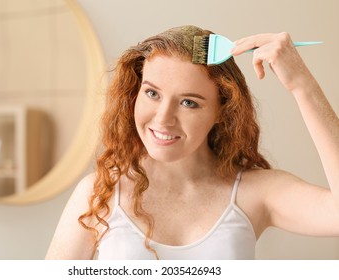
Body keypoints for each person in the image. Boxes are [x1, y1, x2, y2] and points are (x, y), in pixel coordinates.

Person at [45, 25, 339, 260]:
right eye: (152, 93)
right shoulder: (99, 193)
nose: (163, 119)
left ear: (222, 111)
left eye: (189, 102)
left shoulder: (254, 192)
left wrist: (301, 84)